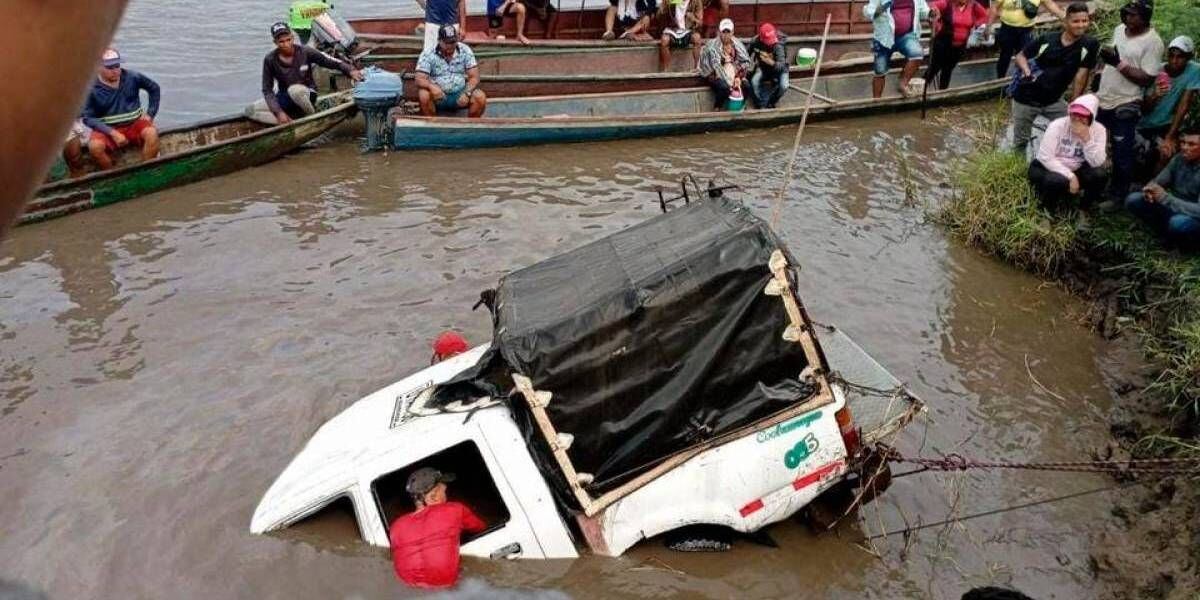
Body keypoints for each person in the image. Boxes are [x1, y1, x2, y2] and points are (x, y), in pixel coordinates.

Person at [0, 0, 129, 235]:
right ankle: (46, 194)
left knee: (74, 156)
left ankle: (76, 188)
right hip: (34, 109)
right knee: (37, 166)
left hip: (61, 111)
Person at [1095, 0, 1164, 201]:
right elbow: (1112, 55)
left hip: (1126, 101)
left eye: (1134, 15)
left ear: (1146, 17)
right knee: (1097, 145)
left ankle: (1118, 196)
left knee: (1122, 153)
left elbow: (1147, 78)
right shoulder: (1119, 29)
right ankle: (1096, 187)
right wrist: (1101, 69)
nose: (1128, 18)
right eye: (1127, 13)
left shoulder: (1153, 42)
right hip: (1104, 97)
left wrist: (1118, 63)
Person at [1008, 2, 1096, 156]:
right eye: (1076, 21)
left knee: (1072, 130)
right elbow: (1020, 56)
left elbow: (1081, 75)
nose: (1081, 25)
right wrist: (1027, 70)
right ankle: (1017, 168)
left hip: (1053, 101)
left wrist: (1074, 104)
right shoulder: (1047, 39)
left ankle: (1060, 161)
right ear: (1066, 21)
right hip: (1025, 99)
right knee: (1020, 142)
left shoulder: (1090, 44)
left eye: (1085, 21)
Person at [389, 467, 486, 588]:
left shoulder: (395, 527)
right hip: (449, 588)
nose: (446, 494)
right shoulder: (454, 510)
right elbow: (481, 528)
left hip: (410, 590)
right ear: (433, 497)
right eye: (443, 491)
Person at [248, 23, 363, 126]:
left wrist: (350, 70)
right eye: (281, 42)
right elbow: (267, 90)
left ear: (293, 38)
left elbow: (330, 61)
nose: (286, 44)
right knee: (250, 110)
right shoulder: (270, 59)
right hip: (285, 96)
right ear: (275, 43)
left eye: (288, 40)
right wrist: (278, 112)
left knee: (295, 90)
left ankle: (312, 117)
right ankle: (289, 122)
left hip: (307, 94)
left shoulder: (305, 51)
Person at [80, 48, 161, 172]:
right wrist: (113, 133)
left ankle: (146, 170)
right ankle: (111, 173)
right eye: (109, 67)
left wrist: (150, 114)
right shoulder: (91, 88)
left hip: (134, 124)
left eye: (117, 66)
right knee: (95, 147)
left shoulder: (133, 77)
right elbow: (88, 118)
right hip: (107, 128)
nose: (115, 71)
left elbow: (154, 88)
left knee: (152, 134)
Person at [1028, 93, 1107, 209]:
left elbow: (1097, 162)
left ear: (1091, 117)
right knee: (1056, 180)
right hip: (1048, 167)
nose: (1077, 119)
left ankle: (1084, 208)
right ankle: (1047, 208)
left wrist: (1087, 139)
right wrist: (1070, 176)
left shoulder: (1099, 130)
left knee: (1100, 175)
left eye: (1082, 116)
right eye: (1074, 114)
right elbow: (1045, 157)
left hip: (1077, 167)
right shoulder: (1057, 125)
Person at [1125, 129, 1200, 251]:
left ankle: (1185, 246)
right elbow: (1157, 182)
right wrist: (1149, 191)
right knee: (1133, 199)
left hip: (1193, 217)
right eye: (1183, 142)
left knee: (1177, 223)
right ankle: (1164, 233)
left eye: (1191, 144)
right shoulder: (1179, 159)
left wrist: (1166, 198)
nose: (1184, 147)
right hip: (1174, 208)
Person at [1138, 36, 1200, 167]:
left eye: (1180, 57)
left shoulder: (1194, 70)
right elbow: (1143, 109)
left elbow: (1184, 105)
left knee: (1167, 152)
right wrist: (1155, 95)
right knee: (1144, 156)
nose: (1174, 61)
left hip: (1167, 124)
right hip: (1145, 124)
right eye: (1171, 56)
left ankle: (1157, 179)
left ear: (1188, 58)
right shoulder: (1155, 71)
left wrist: (1170, 136)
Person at [863, 0, 933, 99]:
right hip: (884, 38)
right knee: (880, 71)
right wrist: (878, 10)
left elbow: (923, 11)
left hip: (906, 35)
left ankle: (902, 84)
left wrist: (930, 13)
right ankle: (876, 101)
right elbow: (868, 12)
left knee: (917, 54)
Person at [416, 25, 488, 117]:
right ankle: (432, 123)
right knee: (423, 95)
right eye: (446, 43)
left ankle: (470, 124)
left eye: (453, 42)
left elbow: (474, 77)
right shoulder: (428, 53)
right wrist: (432, 87)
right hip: (438, 96)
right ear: (439, 40)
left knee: (480, 97)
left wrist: (467, 93)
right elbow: (419, 78)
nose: (450, 46)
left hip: (459, 93)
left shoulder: (465, 50)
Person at [988, 0, 1066, 80]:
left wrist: (1065, 18)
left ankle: (1023, 78)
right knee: (1005, 56)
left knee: (1026, 55)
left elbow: (1051, 5)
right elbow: (994, 7)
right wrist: (988, 26)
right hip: (1007, 29)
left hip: (1026, 30)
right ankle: (1000, 79)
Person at [926, 0, 988, 90]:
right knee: (933, 69)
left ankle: (943, 93)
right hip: (942, 43)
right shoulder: (947, 3)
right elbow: (931, 7)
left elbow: (984, 16)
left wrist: (977, 25)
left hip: (959, 46)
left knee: (948, 70)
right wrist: (936, 21)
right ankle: (921, 91)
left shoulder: (974, 5)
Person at [697, 19, 751, 110]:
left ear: (732, 32)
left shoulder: (737, 44)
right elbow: (716, 67)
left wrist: (738, 77)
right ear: (719, 32)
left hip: (734, 72)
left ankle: (741, 106)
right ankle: (717, 107)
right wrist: (731, 84)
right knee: (724, 87)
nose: (726, 35)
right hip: (713, 74)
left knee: (747, 86)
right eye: (723, 32)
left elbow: (746, 62)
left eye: (728, 32)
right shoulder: (713, 46)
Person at [747, 23, 789, 109]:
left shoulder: (778, 44)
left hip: (779, 69)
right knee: (754, 82)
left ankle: (772, 102)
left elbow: (782, 65)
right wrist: (746, 67)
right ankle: (760, 103)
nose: (771, 42)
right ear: (761, 38)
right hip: (763, 68)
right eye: (768, 40)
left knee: (784, 86)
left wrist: (771, 62)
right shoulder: (755, 42)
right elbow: (746, 55)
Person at [658, 0, 703, 71]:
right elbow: (659, 16)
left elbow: (700, 22)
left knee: (697, 38)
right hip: (672, 30)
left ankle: (696, 67)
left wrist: (693, 18)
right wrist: (664, 6)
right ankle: (666, 70)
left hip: (688, 30)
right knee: (664, 40)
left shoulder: (695, 2)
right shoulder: (671, 1)